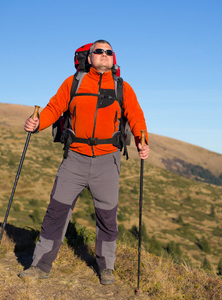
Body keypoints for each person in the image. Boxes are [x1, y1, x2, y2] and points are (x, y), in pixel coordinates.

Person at [18, 39, 149, 285]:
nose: (104, 55)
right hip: (74, 158)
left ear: (113, 58)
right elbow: (54, 108)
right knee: (56, 212)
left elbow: (136, 116)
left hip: (107, 161)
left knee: (107, 217)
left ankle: (106, 268)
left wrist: (142, 140)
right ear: (89, 58)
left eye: (108, 52)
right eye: (98, 51)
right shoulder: (73, 83)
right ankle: (39, 265)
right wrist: (36, 124)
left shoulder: (123, 88)